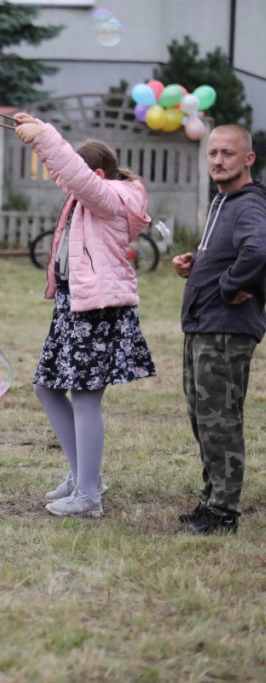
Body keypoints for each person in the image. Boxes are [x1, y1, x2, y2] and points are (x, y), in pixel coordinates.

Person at [13, 113, 156, 519]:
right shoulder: (88, 194)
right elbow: (68, 173)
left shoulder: (111, 198)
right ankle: (82, 476)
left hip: (97, 309)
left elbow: (76, 175)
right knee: (46, 387)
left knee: (86, 398)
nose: (70, 182)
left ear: (96, 174)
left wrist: (46, 136)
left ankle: (89, 495)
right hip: (73, 306)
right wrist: (37, 129)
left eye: (80, 174)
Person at [171, 124, 266, 535]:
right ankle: (211, 499)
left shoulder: (248, 204)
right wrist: (198, 265)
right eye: (213, 153)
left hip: (225, 331)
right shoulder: (223, 201)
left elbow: (259, 247)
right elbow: (236, 250)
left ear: (248, 159)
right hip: (204, 326)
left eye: (228, 153)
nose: (218, 160)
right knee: (203, 419)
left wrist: (231, 285)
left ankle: (223, 514)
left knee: (221, 421)